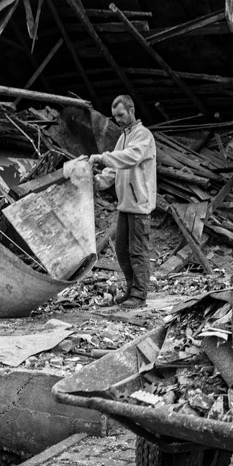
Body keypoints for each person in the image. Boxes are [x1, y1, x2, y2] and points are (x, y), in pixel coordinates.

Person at [90, 95, 157, 309]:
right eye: (115, 116)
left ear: (131, 110)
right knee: (122, 250)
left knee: (138, 251)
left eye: (121, 115)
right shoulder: (123, 137)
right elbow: (114, 168)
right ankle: (131, 290)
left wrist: (102, 157)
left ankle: (139, 295)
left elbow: (130, 158)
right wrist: (97, 182)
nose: (117, 119)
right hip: (126, 205)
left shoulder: (143, 136)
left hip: (139, 205)